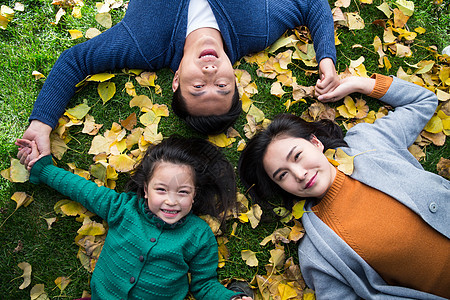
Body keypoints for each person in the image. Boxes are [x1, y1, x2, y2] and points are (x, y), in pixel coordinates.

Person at [19, 0, 339, 164]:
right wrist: (326, 58)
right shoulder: (258, 28)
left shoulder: (145, 44)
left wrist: (42, 124)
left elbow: (75, 62)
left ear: (175, 81)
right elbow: (312, 4)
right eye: (223, 86)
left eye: (198, 87)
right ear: (234, 76)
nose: (211, 75)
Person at [238, 74, 450, 299]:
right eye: (282, 175)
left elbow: (422, 101)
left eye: (297, 156)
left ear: (316, 143)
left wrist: (360, 84)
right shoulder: (317, 252)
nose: (299, 174)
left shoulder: (368, 142)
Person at [16, 135, 253, 300]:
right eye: (161, 190)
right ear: (145, 189)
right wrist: (43, 168)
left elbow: (204, 284)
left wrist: (229, 298)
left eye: (183, 192)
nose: (171, 201)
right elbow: (82, 190)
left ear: (194, 196)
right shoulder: (123, 208)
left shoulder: (198, 235)